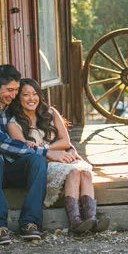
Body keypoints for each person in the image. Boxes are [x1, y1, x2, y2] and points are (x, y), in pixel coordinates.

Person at [0, 64, 76, 245]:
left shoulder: (12, 107)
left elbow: (40, 120)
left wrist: (68, 148)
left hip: (9, 167)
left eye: (16, 90)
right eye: (9, 90)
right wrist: (48, 152)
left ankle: (30, 223)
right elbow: (5, 144)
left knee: (36, 160)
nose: (13, 95)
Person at [8, 78, 110, 234]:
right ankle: (75, 222)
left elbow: (65, 141)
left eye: (35, 94)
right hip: (42, 166)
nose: (31, 99)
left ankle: (91, 219)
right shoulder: (13, 124)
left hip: (61, 158)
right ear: (18, 98)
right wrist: (50, 153)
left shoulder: (50, 112)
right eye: (26, 95)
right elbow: (25, 152)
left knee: (86, 173)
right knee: (74, 172)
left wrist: (49, 149)